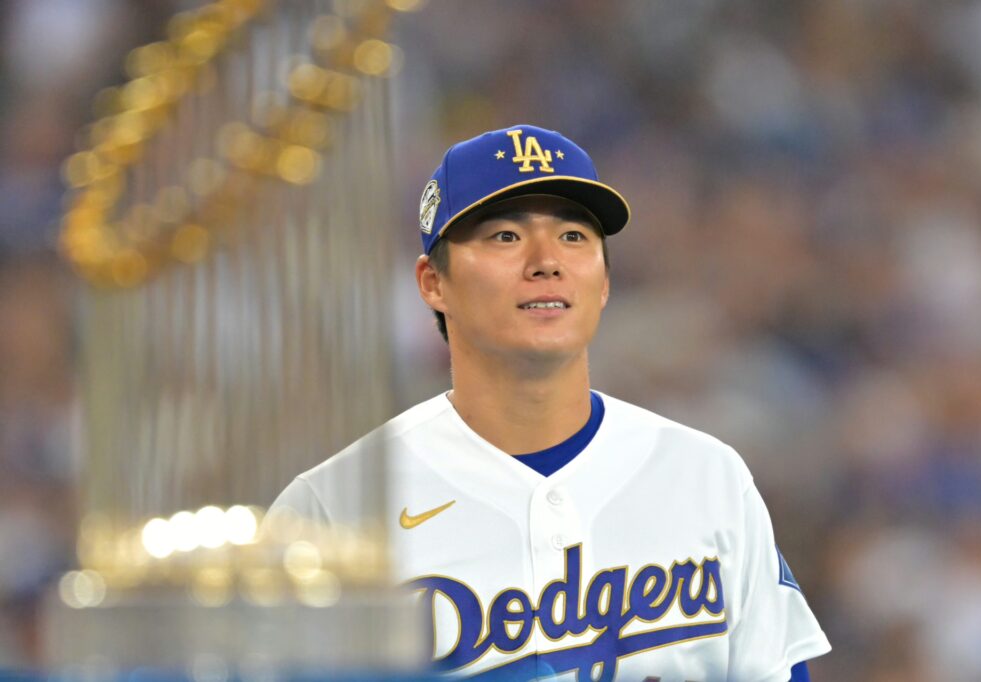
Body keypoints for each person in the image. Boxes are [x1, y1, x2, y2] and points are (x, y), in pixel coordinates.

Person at [272, 124, 831, 680]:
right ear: (432, 283)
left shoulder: (709, 477)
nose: (547, 261)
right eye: (505, 237)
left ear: (605, 280)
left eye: (573, 236)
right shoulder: (330, 509)